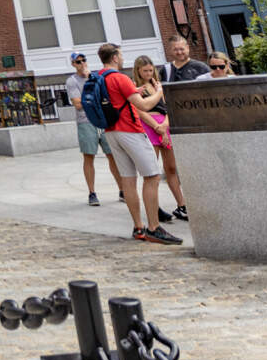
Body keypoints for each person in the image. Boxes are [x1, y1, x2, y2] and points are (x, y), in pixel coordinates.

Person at [94, 43, 180, 244]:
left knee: (128, 179)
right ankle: (154, 227)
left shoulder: (99, 77)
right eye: (120, 55)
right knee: (152, 176)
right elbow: (143, 105)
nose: (122, 58)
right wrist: (159, 92)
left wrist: (134, 90)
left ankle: (138, 227)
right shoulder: (119, 77)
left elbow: (118, 98)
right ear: (115, 57)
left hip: (111, 131)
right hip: (130, 130)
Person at [130, 56, 186, 222]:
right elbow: (139, 111)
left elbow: (168, 107)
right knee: (151, 170)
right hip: (149, 125)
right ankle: (155, 207)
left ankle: (181, 205)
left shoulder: (157, 85)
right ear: (138, 70)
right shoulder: (135, 87)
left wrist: (165, 126)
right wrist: (156, 127)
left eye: (150, 70)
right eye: (145, 70)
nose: (148, 73)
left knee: (171, 167)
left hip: (164, 125)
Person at [65, 52, 120, 206]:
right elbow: (78, 104)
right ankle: (92, 192)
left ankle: (122, 189)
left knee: (112, 155)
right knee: (89, 156)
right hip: (86, 121)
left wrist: (91, 92)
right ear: (73, 64)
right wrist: (92, 97)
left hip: (102, 120)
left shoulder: (95, 77)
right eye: (78, 62)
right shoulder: (72, 81)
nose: (82, 64)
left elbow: (105, 96)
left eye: (84, 60)